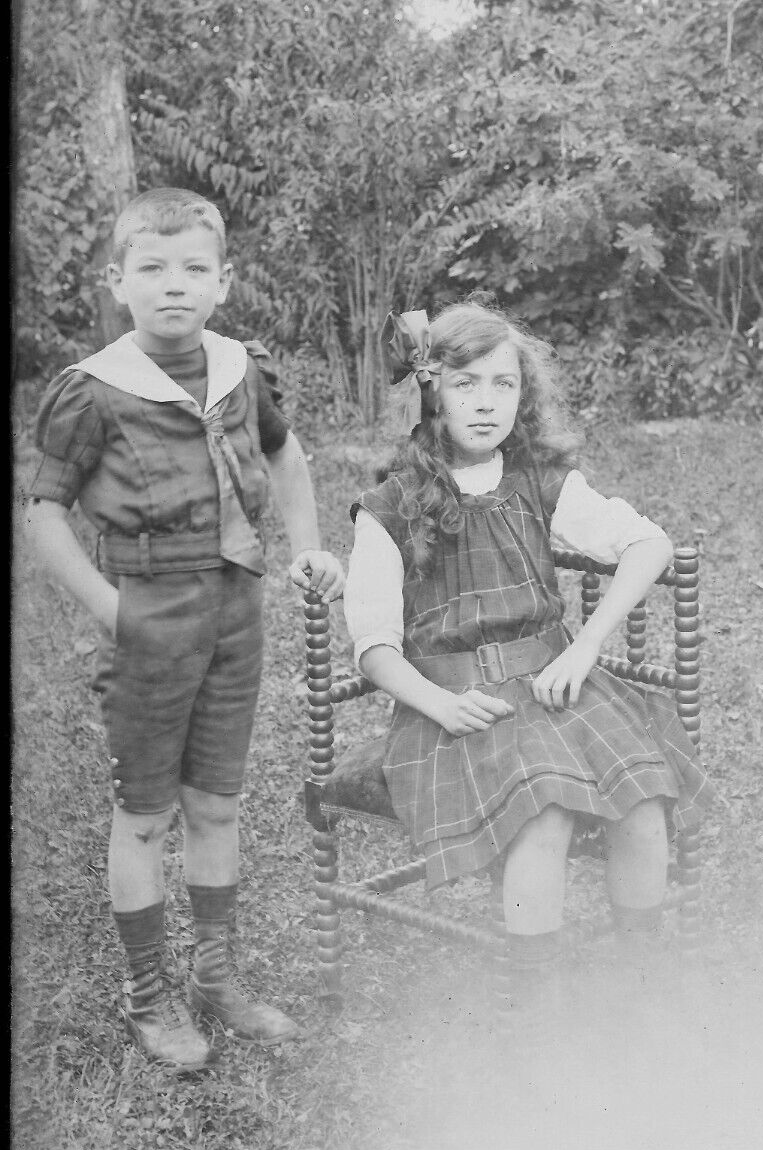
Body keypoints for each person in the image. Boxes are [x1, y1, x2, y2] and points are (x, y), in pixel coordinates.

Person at [24, 187, 345, 1072]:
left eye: (195, 269)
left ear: (224, 281)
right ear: (117, 282)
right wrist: (112, 608)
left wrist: (309, 548)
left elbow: (282, 453)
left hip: (235, 604)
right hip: (147, 607)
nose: (175, 287)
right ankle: (148, 993)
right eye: (153, 269)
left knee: (217, 802)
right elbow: (43, 514)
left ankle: (214, 977)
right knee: (145, 813)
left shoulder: (241, 367)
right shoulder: (92, 392)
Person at [342, 301, 714, 1017]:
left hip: (553, 684)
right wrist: (439, 703)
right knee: (543, 810)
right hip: (452, 707)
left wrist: (588, 641)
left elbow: (649, 545)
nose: (485, 404)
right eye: (465, 385)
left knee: (643, 798)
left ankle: (644, 989)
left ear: (524, 393)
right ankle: (537, 1014)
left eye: (503, 385)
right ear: (431, 393)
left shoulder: (538, 481)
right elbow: (375, 647)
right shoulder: (389, 507)